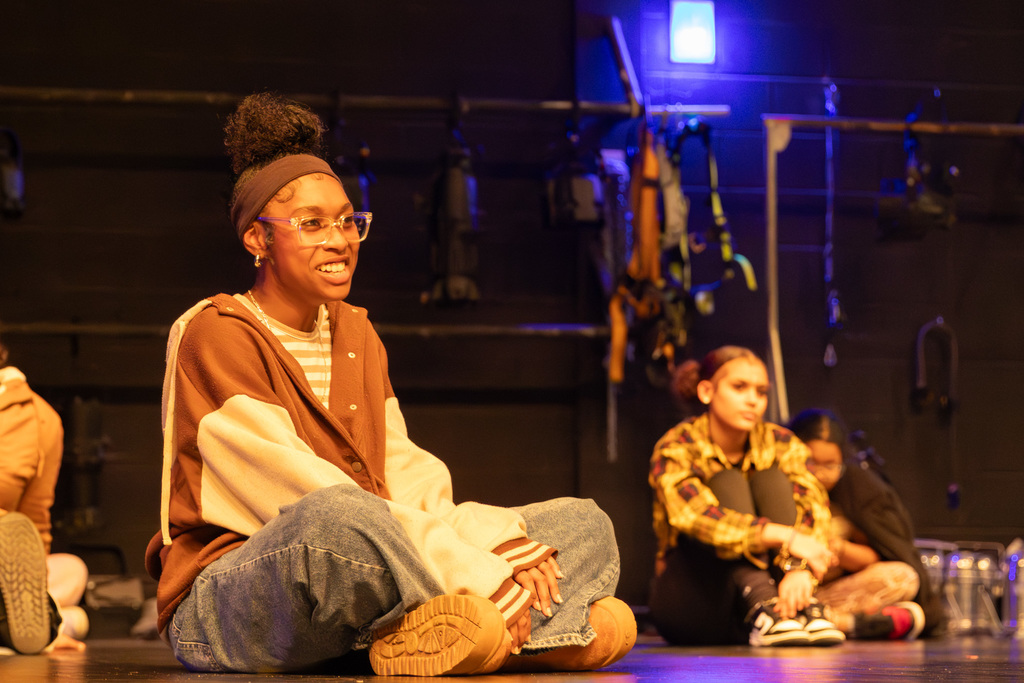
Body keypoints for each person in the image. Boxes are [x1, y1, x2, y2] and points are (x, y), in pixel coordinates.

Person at [144, 92, 636, 676]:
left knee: (584, 524)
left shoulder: (356, 332)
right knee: (334, 523)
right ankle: (537, 629)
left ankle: (437, 633)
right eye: (311, 224)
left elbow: (402, 477)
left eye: (349, 220)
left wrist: (501, 543)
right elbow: (300, 498)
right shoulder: (215, 333)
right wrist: (481, 571)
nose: (340, 239)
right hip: (244, 583)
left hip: (372, 558)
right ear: (257, 239)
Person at [647, 346, 843, 647]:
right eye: (739, 387)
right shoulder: (677, 445)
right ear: (706, 391)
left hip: (772, 609)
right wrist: (785, 537)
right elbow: (696, 517)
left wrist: (797, 567)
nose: (753, 399)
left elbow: (813, 504)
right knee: (728, 483)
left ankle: (791, 608)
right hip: (696, 599)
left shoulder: (781, 442)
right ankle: (764, 602)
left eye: (761, 391)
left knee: (771, 479)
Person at [788, 408, 944, 639]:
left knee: (902, 577)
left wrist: (839, 549)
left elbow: (876, 556)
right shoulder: (779, 487)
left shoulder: (857, 492)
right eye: (810, 463)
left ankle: (824, 619)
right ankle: (848, 624)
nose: (819, 474)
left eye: (830, 465)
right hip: (786, 586)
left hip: (829, 592)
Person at [0, 334, 90, 654]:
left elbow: (32, 522)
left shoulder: (41, 419)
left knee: (71, 569)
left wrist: (33, 592)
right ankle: (48, 623)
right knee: (74, 615)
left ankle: (33, 622)